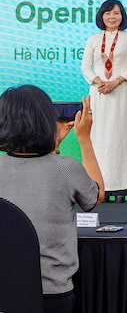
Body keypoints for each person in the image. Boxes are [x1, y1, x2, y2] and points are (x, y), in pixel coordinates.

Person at [0, 86, 104, 313]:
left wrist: (53, 146)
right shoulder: (66, 168)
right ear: (46, 121)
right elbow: (97, 195)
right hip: (51, 295)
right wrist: (84, 139)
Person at [80, 0, 127, 202]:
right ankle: (100, 185)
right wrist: (99, 82)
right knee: (99, 137)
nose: (112, 17)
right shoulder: (94, 39)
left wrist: (115, 82)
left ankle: (122, 188)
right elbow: (85, 68)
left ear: (122, 16)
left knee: (121, 138)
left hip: (121, 93)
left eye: (116, 13)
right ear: (101, 16)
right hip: (99, 94)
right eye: (108, 13)